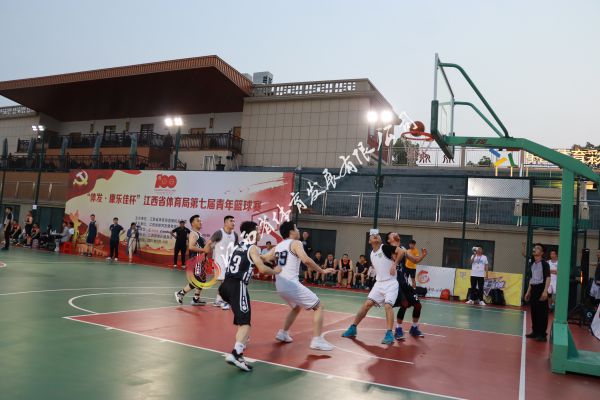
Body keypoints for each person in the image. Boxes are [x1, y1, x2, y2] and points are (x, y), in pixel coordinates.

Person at [220, 221, 282, 371]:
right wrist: (276, 271)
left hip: (225, 286)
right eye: (258, 231)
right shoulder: (253, 248)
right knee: (246, 324)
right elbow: (262, 268)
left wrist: (274, 251)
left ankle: (239, 352)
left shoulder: (239, 245)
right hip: (238, 286)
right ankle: (236, 354)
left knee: (242, 324)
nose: (260, 234)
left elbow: (262, 258)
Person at [265, 221, 336, 350]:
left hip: (280, 285)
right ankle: (317, 340)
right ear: (291, 232)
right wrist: (322, 271)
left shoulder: (278, 246)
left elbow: (264, 258)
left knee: (296, 307)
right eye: (296, 228)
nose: (298, 230)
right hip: (291, 284)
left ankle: (283, 333)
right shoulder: (296, 243)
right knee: (319, 306)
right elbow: (306, 260)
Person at [341, 231, 405, 345]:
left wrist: (394, 264)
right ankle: (353, 328)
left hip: (391, 283)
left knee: (388, 306)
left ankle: (389, 334)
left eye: (378, 235)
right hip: (379, 284)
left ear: (380, 240)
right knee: (367, 304)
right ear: (369, 241)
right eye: (372, 236)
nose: (375, 236)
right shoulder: (371, 254)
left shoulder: (385, 248)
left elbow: (401, 251)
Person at [387, 233, 428, 341]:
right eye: (393, 235)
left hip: (405, 283)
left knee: (418, 305)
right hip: (395, 284)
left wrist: (423, 255)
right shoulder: (387, 249)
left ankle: (414, 328)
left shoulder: (403, 249)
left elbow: (415, 260)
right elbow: (394, 257)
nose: (396, 235)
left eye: (397, 234)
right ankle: (398, 329)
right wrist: (400, 251)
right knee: (404, 304)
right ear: (389, 240)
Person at [205, 215, 238, 310]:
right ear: (225, 222)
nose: (233, 223)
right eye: (231, 221)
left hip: (230, 262)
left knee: (224, 282)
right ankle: (224, 301)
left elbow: (236, 248)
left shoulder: (235, 235)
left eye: (234, 221)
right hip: (219, 262)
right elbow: (208, 243)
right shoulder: (219, 233)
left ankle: (218, 300)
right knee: (225, 281)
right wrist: (205, 255)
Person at [174, 215, 208, 306]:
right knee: (198, 280)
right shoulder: (193, 233)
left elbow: (200, 247)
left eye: (200, 220)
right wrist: (204, 250)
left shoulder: (199, 234)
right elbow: (191, 247)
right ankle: (181, 293)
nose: (200, 222)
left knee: (202, 279)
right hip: (196, 260)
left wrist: (205, 256)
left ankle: (196, 299)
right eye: (198, 221)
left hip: (201, 260)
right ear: (192, 223)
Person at [524, 243, 551, 342]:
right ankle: (535, 332)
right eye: (534, 248)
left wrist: (545, 291)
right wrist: (528, 292)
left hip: (541, 289)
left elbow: (548, 277)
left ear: (542, 253)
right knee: (534, 311)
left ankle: (542, 334)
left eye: (538, 248)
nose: (535, 249)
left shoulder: (545, 264)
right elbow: (532, 279)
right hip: (534, 289)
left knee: (542, 313)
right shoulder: (533, 264)